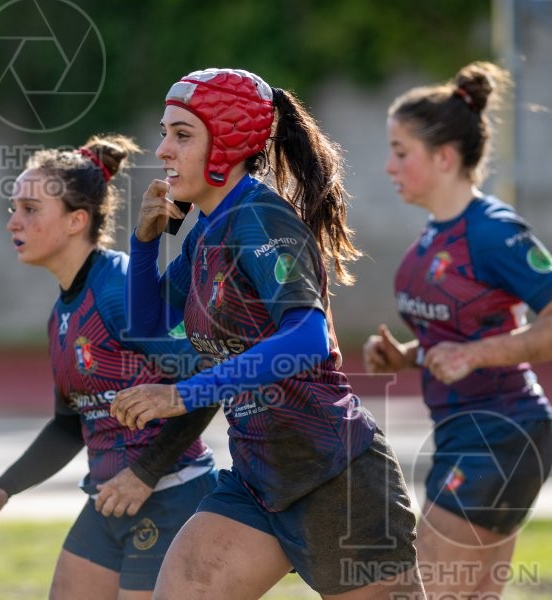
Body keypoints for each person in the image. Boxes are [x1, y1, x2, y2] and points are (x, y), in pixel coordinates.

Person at [110, 68, 425, 599]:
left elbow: (308, 338)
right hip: (258, 480)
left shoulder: (260, 218)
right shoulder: (206, 229)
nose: (163, 150)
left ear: (229, 142)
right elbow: (146, 328)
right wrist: (144, 244)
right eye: (166, 132)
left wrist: (182, 395)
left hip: (335, 477)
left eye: (182, 135)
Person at [364, 61, 552, 598]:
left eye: (401, 152)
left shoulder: (493, 232)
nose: (388, 166)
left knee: (417, 592)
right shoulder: (434, 237)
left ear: (444, 157)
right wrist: (405, 356)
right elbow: (455, 338)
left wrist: (479, 355)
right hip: (465, 434)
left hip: (502, 433)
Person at [0, 136, 218, 600]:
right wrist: (4, 488)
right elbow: (70, 425)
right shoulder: (59, 315)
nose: (13, 222)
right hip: (108, 500)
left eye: (29, 209)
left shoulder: (120, 288)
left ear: (75, 220)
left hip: (169, 495)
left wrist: (144, 473)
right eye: (13, 207)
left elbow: (204, 384)